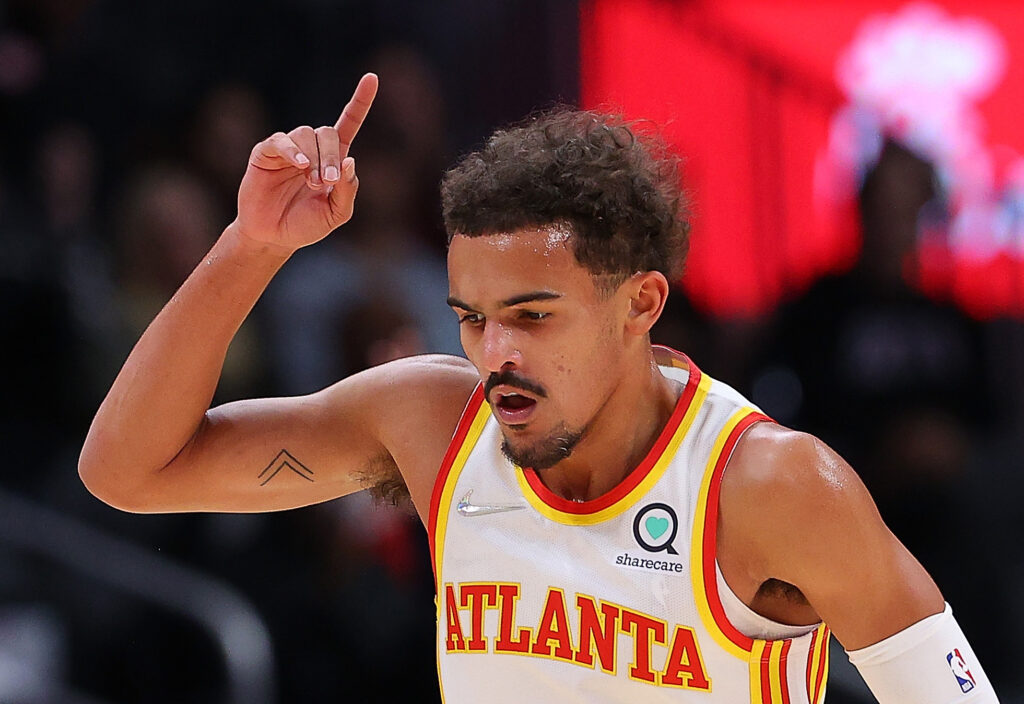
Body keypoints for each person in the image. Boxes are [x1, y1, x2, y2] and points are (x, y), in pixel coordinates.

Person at [80, 74, 998, 702]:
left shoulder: (769, 486)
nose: (495, 353)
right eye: (471, 317)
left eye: (533, 315)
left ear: (640, 304)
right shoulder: (432, 423)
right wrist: (254, 248)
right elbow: (130, 471)